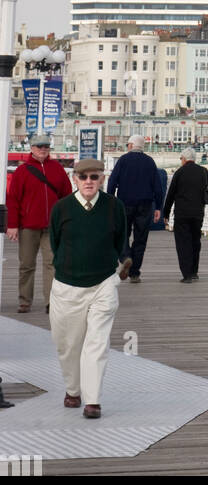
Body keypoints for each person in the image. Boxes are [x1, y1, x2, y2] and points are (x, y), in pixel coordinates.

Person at [48, 158, 129, 419]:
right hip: (67, 286)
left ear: (102, 179)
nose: (88, 182)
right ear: (75, 179)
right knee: (68, 345)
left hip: (103, 284)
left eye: (94, 177)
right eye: (83, 177)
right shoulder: (61, 208)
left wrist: (120, 263)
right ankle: (73, 390)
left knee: (97, 343)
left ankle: (92, 400)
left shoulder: (114, 207)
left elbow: (121, 241)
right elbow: (55, 242)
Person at [6, 133, 73, 313]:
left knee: (52, 264)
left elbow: (67, 196)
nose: (43, 149)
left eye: (46, 146)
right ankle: (24, 301)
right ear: (32, 149)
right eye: (39, 146)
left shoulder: (57, 169)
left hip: (52, 226)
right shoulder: (22, 171)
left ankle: (51, 302)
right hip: (28, 226)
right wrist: (12, 225)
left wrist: (67, 221)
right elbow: (12, 199)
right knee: (26, 264)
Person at [106, 135, 163, 284]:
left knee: (122, 233)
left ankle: (125, 257)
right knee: (141, 238)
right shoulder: (150, 162)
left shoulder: (123, 160)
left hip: (124, 203)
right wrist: (158, 207)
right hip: (145, 205)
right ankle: (135, 273)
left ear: (131, 145)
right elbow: (158, 186)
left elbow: (112, 182)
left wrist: (110, 200)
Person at [163, 148, 208, 283]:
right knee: (195, 242)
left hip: (182, 214)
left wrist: (166, 213)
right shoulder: (203, 171)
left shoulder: (180, 172)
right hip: (197, 213)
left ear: (184, 159)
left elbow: (171, 194)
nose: (181, 161)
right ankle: (194, 271)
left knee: (183, 243)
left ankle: (186, 274)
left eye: (181, 159)